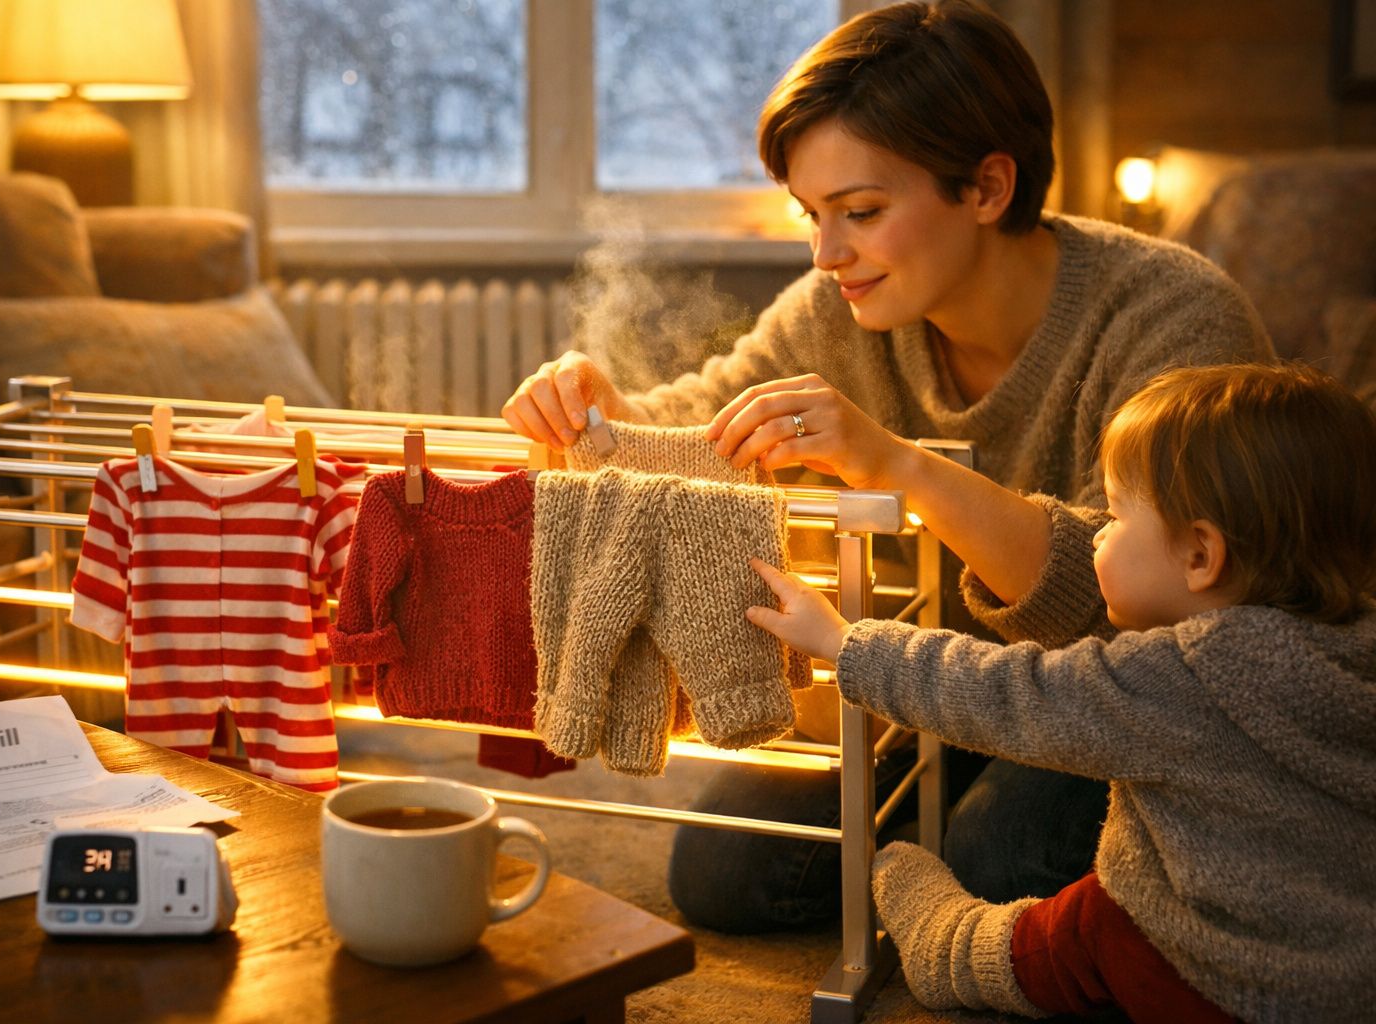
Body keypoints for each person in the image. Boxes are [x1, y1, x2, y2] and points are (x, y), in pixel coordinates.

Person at [502, 0, 1273, 931]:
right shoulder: (839, 305)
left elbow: (1129, 605)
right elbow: (712, 418)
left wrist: (896, 464)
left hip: (1124, 711)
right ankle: (934, 873)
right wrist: (601, 417)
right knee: (720, 875)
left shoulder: (1173, 317)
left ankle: (953, 882)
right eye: (811, 216)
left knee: (996, 862)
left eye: (861, 212)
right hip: (930, 689)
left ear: (987, 188)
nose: (827, 255)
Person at [744, 362, 1376, 1022]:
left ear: (1200, 556)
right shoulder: (1355, 644)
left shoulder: (1182, 678)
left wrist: (848, 646)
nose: (1096, 533)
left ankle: (948, 948)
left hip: (1220, 976)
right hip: (1351, 972)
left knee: (1092, 925)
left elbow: (1005, 696)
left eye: (1115, 516)